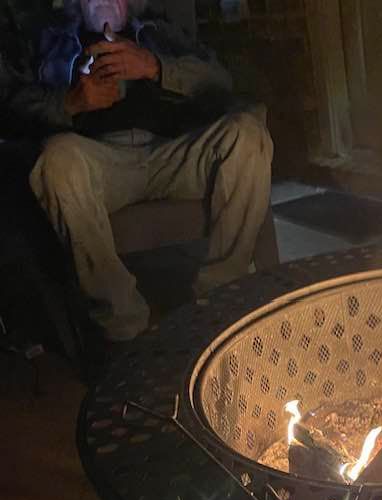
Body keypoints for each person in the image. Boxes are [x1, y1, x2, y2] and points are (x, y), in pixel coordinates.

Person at [3, 0, 273, 342]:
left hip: (170, 152)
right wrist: (70, 102)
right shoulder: (47, 37)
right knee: (57, 159)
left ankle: (219, 300)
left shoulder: (159, 30)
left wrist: (154, 66)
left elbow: (220, 79)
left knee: (247, 135)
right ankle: (124, 326)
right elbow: (12, 105)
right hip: (97, 162)